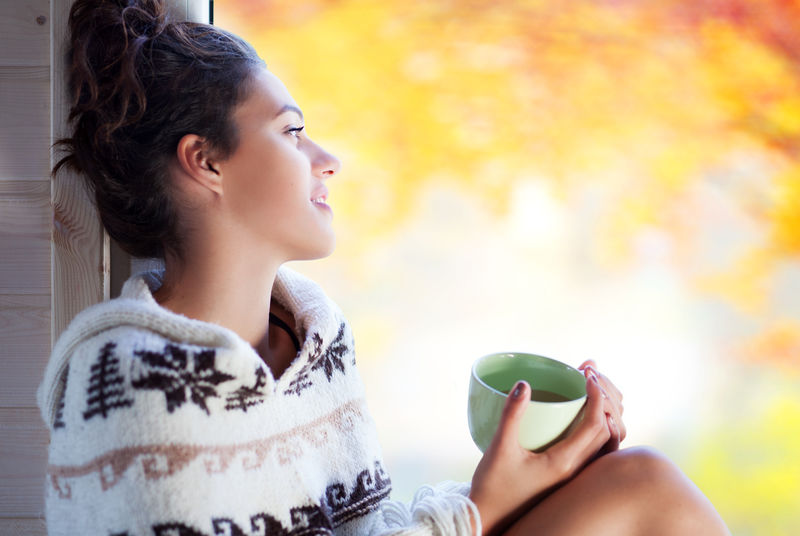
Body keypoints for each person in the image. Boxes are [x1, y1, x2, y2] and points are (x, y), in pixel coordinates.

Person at [37, 1, 731, 534]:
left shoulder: (314, 335)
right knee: (644, 493)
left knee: (633, 481)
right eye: (292, 132)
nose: (326, 159)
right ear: (206, 161)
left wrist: (534, 477)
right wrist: (483, 507)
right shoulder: (130, 384)